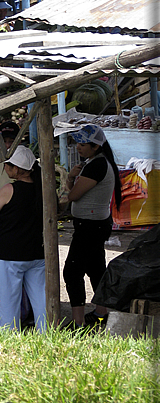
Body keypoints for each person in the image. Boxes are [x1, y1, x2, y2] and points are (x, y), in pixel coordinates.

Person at [63, 124, 122, 329]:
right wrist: (71, 177)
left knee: (72, 272)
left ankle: (78, 323)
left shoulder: (97, 165)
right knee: (96, 268)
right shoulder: (94, 162)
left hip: (91, 226)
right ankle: (100, 313)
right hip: (94, 224)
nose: (78, 147)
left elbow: (73, 195)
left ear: (96, 146)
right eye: (77, 142)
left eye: (82, 144)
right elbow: (74, 193)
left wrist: (70, 180)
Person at [0, 146, 46, 332]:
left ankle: (9, 338)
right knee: (42, 300)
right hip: (37, 252)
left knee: (8, 303)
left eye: (8, 166)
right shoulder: (43, 188)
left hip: (8, 253)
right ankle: (47, 335)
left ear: (17, 169)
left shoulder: (9, 189)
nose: (5, 169)